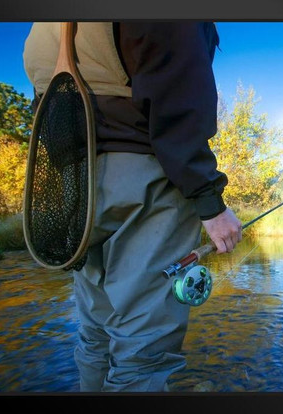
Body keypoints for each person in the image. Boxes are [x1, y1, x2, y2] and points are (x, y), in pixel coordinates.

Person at [23, 22, 242, 392]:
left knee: (97, 337)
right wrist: (211, 204)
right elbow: (179, 97)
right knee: (144, 354)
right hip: (146, 182)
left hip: (76, 186)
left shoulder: (43, 25)